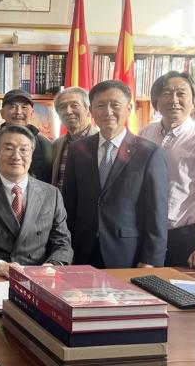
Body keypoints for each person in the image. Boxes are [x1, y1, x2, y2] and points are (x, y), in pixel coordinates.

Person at [62, 80, 169, 269]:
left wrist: (151, 259)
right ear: (91, 111)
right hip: (82, 249)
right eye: (100, 105)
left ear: (129, 109)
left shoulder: (149, 153)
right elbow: (69, 204)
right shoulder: (78, 149)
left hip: (127, 252)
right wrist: (65, 249)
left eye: (115, 105)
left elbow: (157, 212)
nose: (108, 111)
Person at [140, 71, 195, 269]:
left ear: (193, 100)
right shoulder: (146, 133)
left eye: (181, 93)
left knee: (175, 288)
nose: (174, 100)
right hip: (144, 234)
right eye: (166, 93)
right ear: (156, 100)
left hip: (182, 239)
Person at [0, 125, 73, 277]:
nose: (16, 156)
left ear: (31, 154)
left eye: (24, 149)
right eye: (9, 149)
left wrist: (52, 265)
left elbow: (62, 242)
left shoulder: (51, 194)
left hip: (39, 276)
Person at [0, 89, 52, 182]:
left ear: (32, 113)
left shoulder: (45, 145)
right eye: (12, 107)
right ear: (2, 113)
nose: (18, 112)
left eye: (24, 107)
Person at [51, 87, 98, 189]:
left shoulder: (102, 143)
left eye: (74, 105)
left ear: (88, 110)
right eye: (62, 107)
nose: (68, 111)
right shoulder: (56, 145)